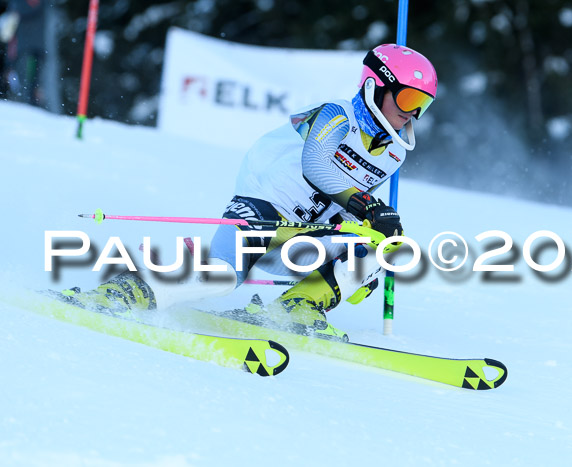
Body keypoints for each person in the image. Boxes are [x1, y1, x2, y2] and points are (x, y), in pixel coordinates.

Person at [67, 44, 438, 339]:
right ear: (376, 86)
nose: (412, 114)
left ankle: (295, 308)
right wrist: (368, 204)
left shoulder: (392, 153)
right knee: (223, 278)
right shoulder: (336, 115)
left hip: (306, 235)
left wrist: (372, 233)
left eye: (421, 106)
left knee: (388, 244)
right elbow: (318, 166)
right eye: (407, 100)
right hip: (262, 211)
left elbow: (348, 208)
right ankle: (129, 290)